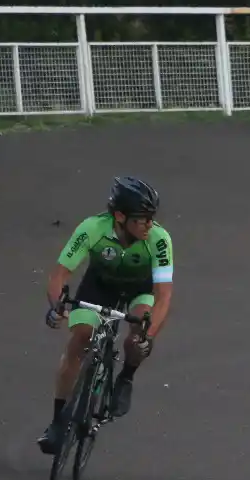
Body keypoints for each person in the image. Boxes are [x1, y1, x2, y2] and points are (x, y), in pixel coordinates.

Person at [38, 176, 173, 454]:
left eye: (152, 218)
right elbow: (60, 274)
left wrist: (148, 337)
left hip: (139, 291)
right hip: (99, 288)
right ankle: (57, 422)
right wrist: (57, 305)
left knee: (137, 338)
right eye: (142, 219)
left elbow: (163, 296)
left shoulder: (159, 240)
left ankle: (126, 377)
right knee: (80, 340)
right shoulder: (92, 228)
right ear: (120, 216)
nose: (150, 225)